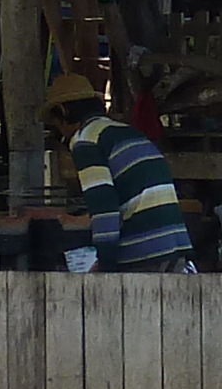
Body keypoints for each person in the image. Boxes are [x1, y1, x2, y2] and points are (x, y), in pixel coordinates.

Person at [52, 71, 195, 271]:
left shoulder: (85, 140)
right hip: (174, 243)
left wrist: (105, 262)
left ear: (63, 111)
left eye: (56, 123)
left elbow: (104, 208)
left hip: (142, 249)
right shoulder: (123, 131)